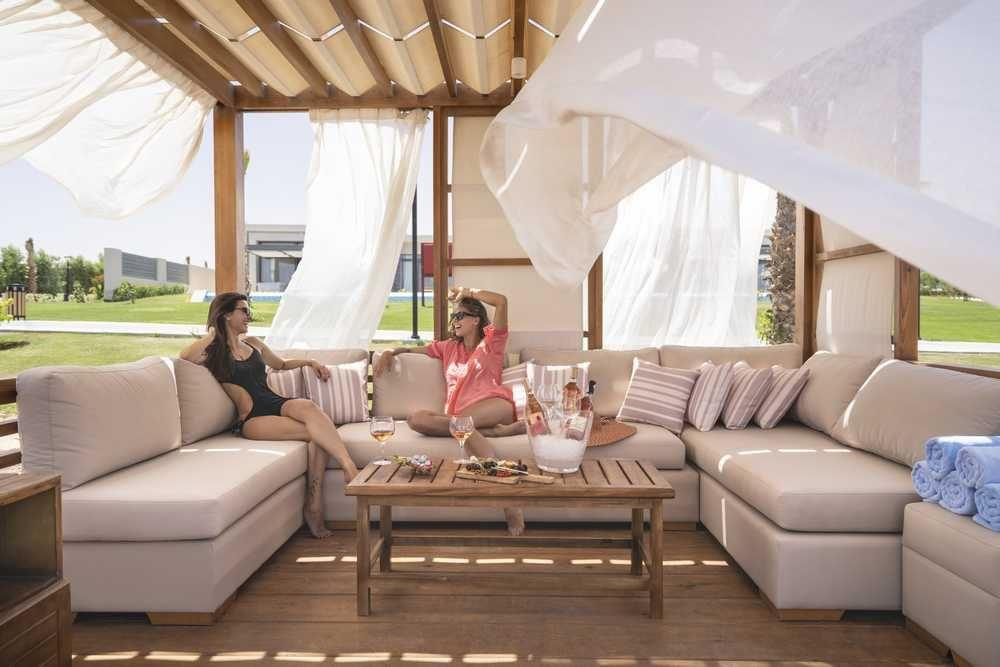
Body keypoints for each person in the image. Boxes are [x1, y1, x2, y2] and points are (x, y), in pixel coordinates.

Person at [180, 292, 359, 539]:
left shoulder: (253, 343)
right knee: (318, 434)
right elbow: (185, 357)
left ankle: (347, 468)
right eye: (243, 311)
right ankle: (315, 506)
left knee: (309, 408)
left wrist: (310, 363)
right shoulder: (213, 351)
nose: (248, 316)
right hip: (252, 417)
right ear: (226, 314)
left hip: (274, 401)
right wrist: (214, 333)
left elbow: (281, 364)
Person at [373, 286, 526, 535]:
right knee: (416, 419)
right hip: (459, 417)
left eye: (460, 315)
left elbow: (501, 300)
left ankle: (509, 503)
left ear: (476, 320)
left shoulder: (492, 342)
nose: (455, 320)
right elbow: (413, 350)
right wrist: (391, 351)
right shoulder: (448, 347)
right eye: (453, 316)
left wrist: (468, 291)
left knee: (462, 423)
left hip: (495, 405)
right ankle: (494, 432)